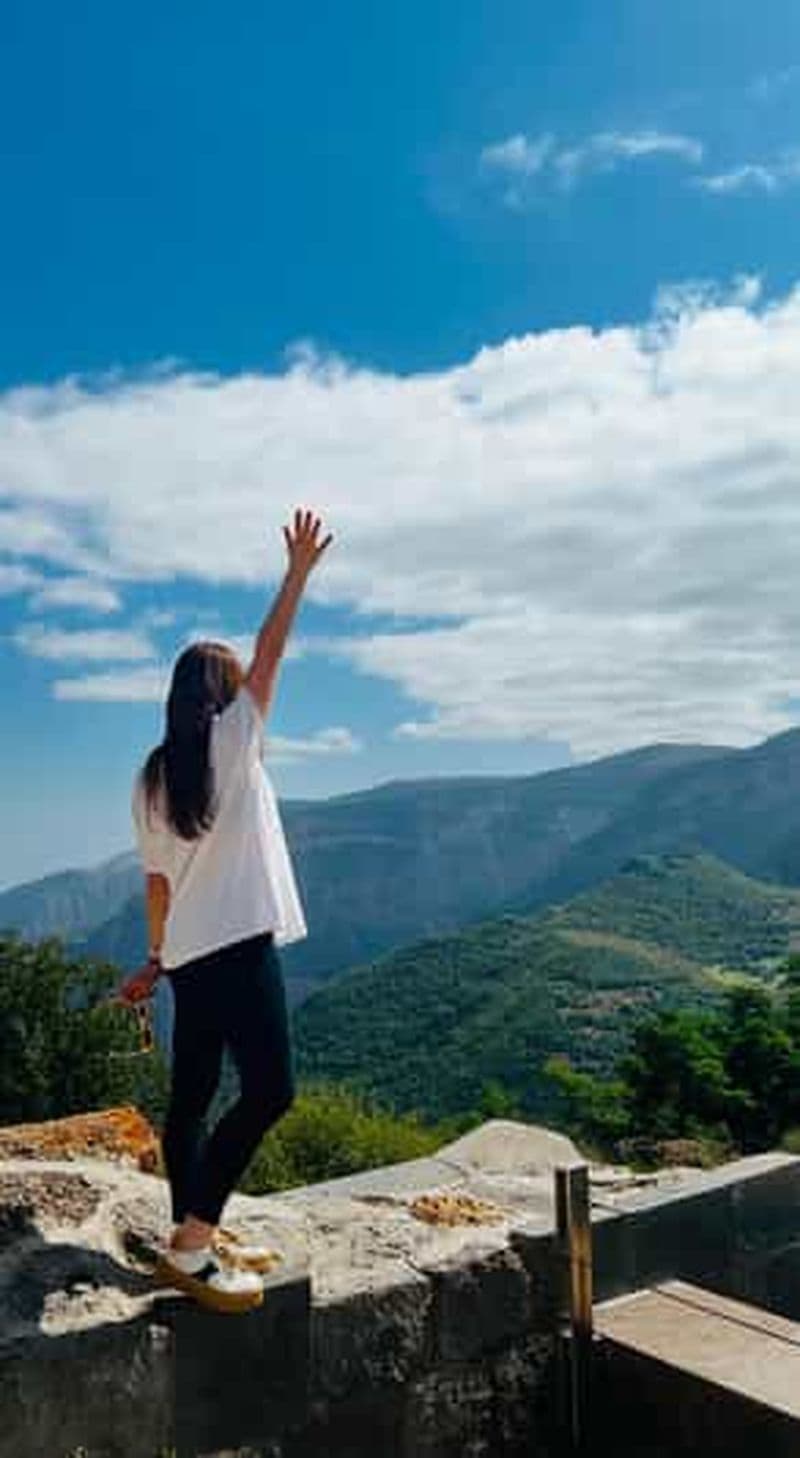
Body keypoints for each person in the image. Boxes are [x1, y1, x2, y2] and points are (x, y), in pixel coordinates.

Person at [118, 507, 333, 1312]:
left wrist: (154, 958)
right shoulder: (233, 742)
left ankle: (188, 1236)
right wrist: (297, 576)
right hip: (239, 947)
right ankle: (195, 1241)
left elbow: (157, 884)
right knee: (272, 1091)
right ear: (223, 691)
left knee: (191, 1102)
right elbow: (273, 652)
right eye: (237, 679)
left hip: (187, 959)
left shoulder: (149, 776)